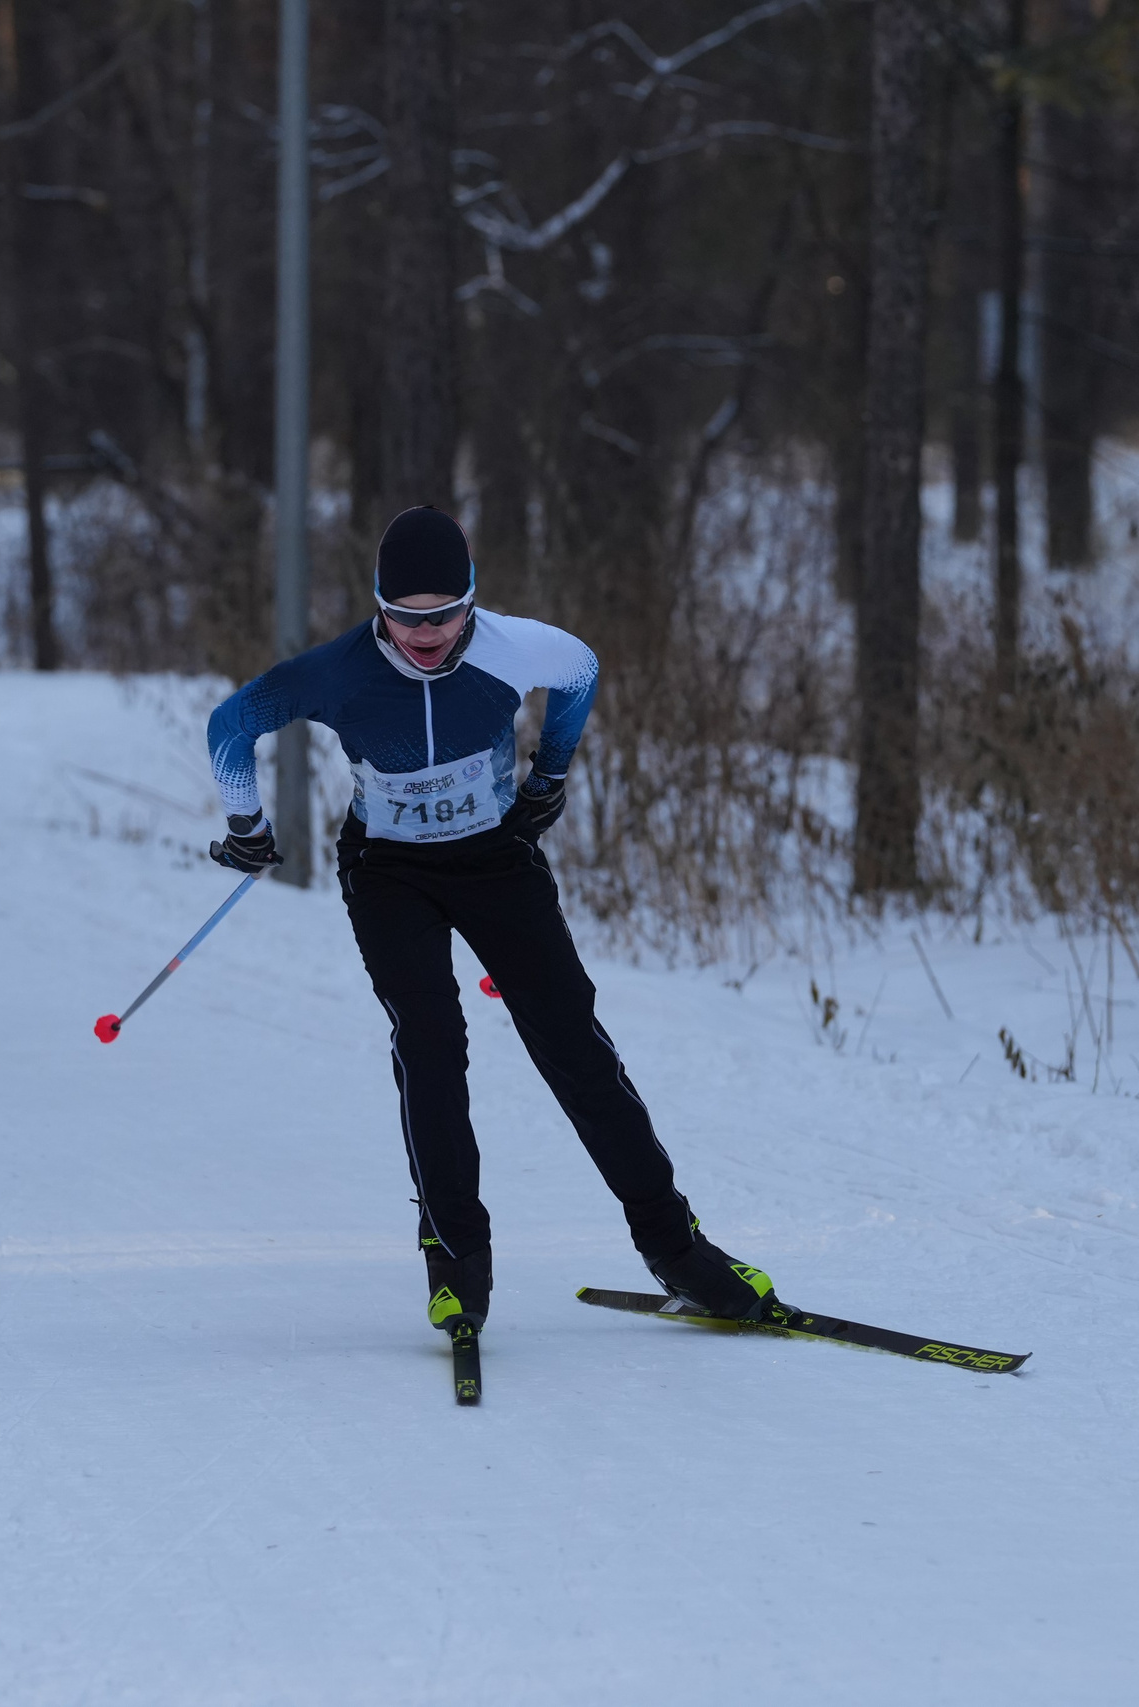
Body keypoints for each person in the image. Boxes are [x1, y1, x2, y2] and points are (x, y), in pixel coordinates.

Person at [203, 506, 778, 1338]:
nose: (426, 633)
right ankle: (454, 1258)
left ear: (473, 600)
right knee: (430, 1041)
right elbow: (232, 725)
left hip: (495, 859)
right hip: (388, 871)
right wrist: (247, 829)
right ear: (379, 606)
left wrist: (550, 775)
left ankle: (675, 1246)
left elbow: (579, 668)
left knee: (573, 1044)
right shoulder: (338, 671)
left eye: (444, 613)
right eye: (405, 615)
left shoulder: (516, 647)